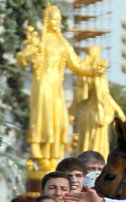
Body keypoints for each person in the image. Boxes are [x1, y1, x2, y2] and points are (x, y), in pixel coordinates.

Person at [15, 5, 97, 170]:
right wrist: (30, 56)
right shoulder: (39, 40)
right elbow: (20, 58)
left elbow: (77, 65)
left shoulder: (63, 43)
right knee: (44, 119)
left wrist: (93, 71)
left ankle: (53, 155)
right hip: (43, 86)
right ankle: (42, 155)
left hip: (56, 88)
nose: (57, 23)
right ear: (47, 20)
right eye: (54, 19)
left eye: (59, 20)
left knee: (58, 120)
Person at [70, 47, 126, 160]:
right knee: (92, 143)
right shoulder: (92, 77)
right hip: (94, 115)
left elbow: (105, 96)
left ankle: (94, 164)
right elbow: (101, 96)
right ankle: (91, 164)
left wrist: (118, 110)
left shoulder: (93, 78)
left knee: (94, 143)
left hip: (95, 114)